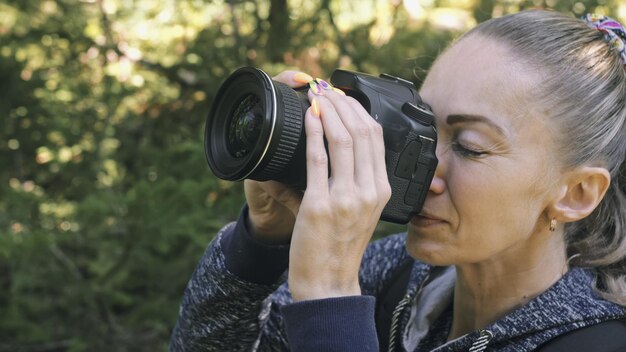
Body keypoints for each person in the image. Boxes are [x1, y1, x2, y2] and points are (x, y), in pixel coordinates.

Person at [169, 9, 626, 352]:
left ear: (576, 194)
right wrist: (261, 243)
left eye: (468, 146)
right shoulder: (394, 273)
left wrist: (331, 302)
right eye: (421, 129)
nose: (424, 168)